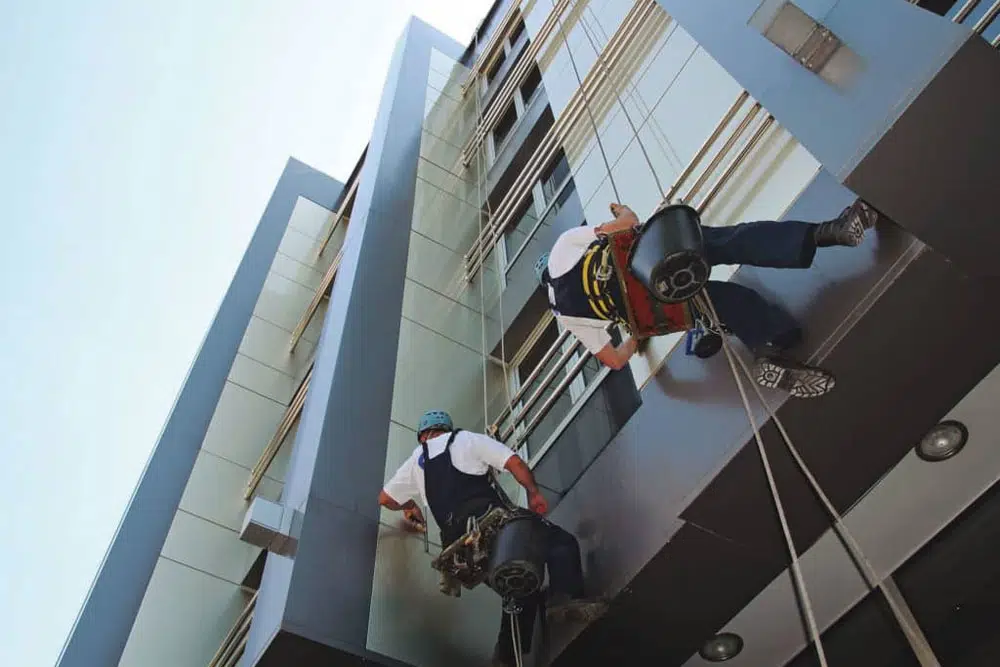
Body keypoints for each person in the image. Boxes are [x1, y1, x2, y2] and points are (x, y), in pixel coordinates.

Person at [535, 200, 880, 398]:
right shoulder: (562, 248)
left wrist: (635, 338)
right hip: (654, 260)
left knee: (726, 303)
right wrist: (623, 212)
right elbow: (626, 226)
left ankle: (768, 352)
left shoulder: (566, 315)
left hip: (659, 304)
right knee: (732, 241)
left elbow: (613, 360)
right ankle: (830, 232)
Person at [378, 410, 607, 667]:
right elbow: (514, 463)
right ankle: (565, 597)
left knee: (518, 586)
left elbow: (385, 499)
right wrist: (533, 493)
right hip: (491, 524)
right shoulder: (465, 440)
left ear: (422, 436)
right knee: (559, 542)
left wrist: (409, 504)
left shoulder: (416, 460)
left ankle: (506, 658)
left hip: (460, 552)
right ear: (447, 429)